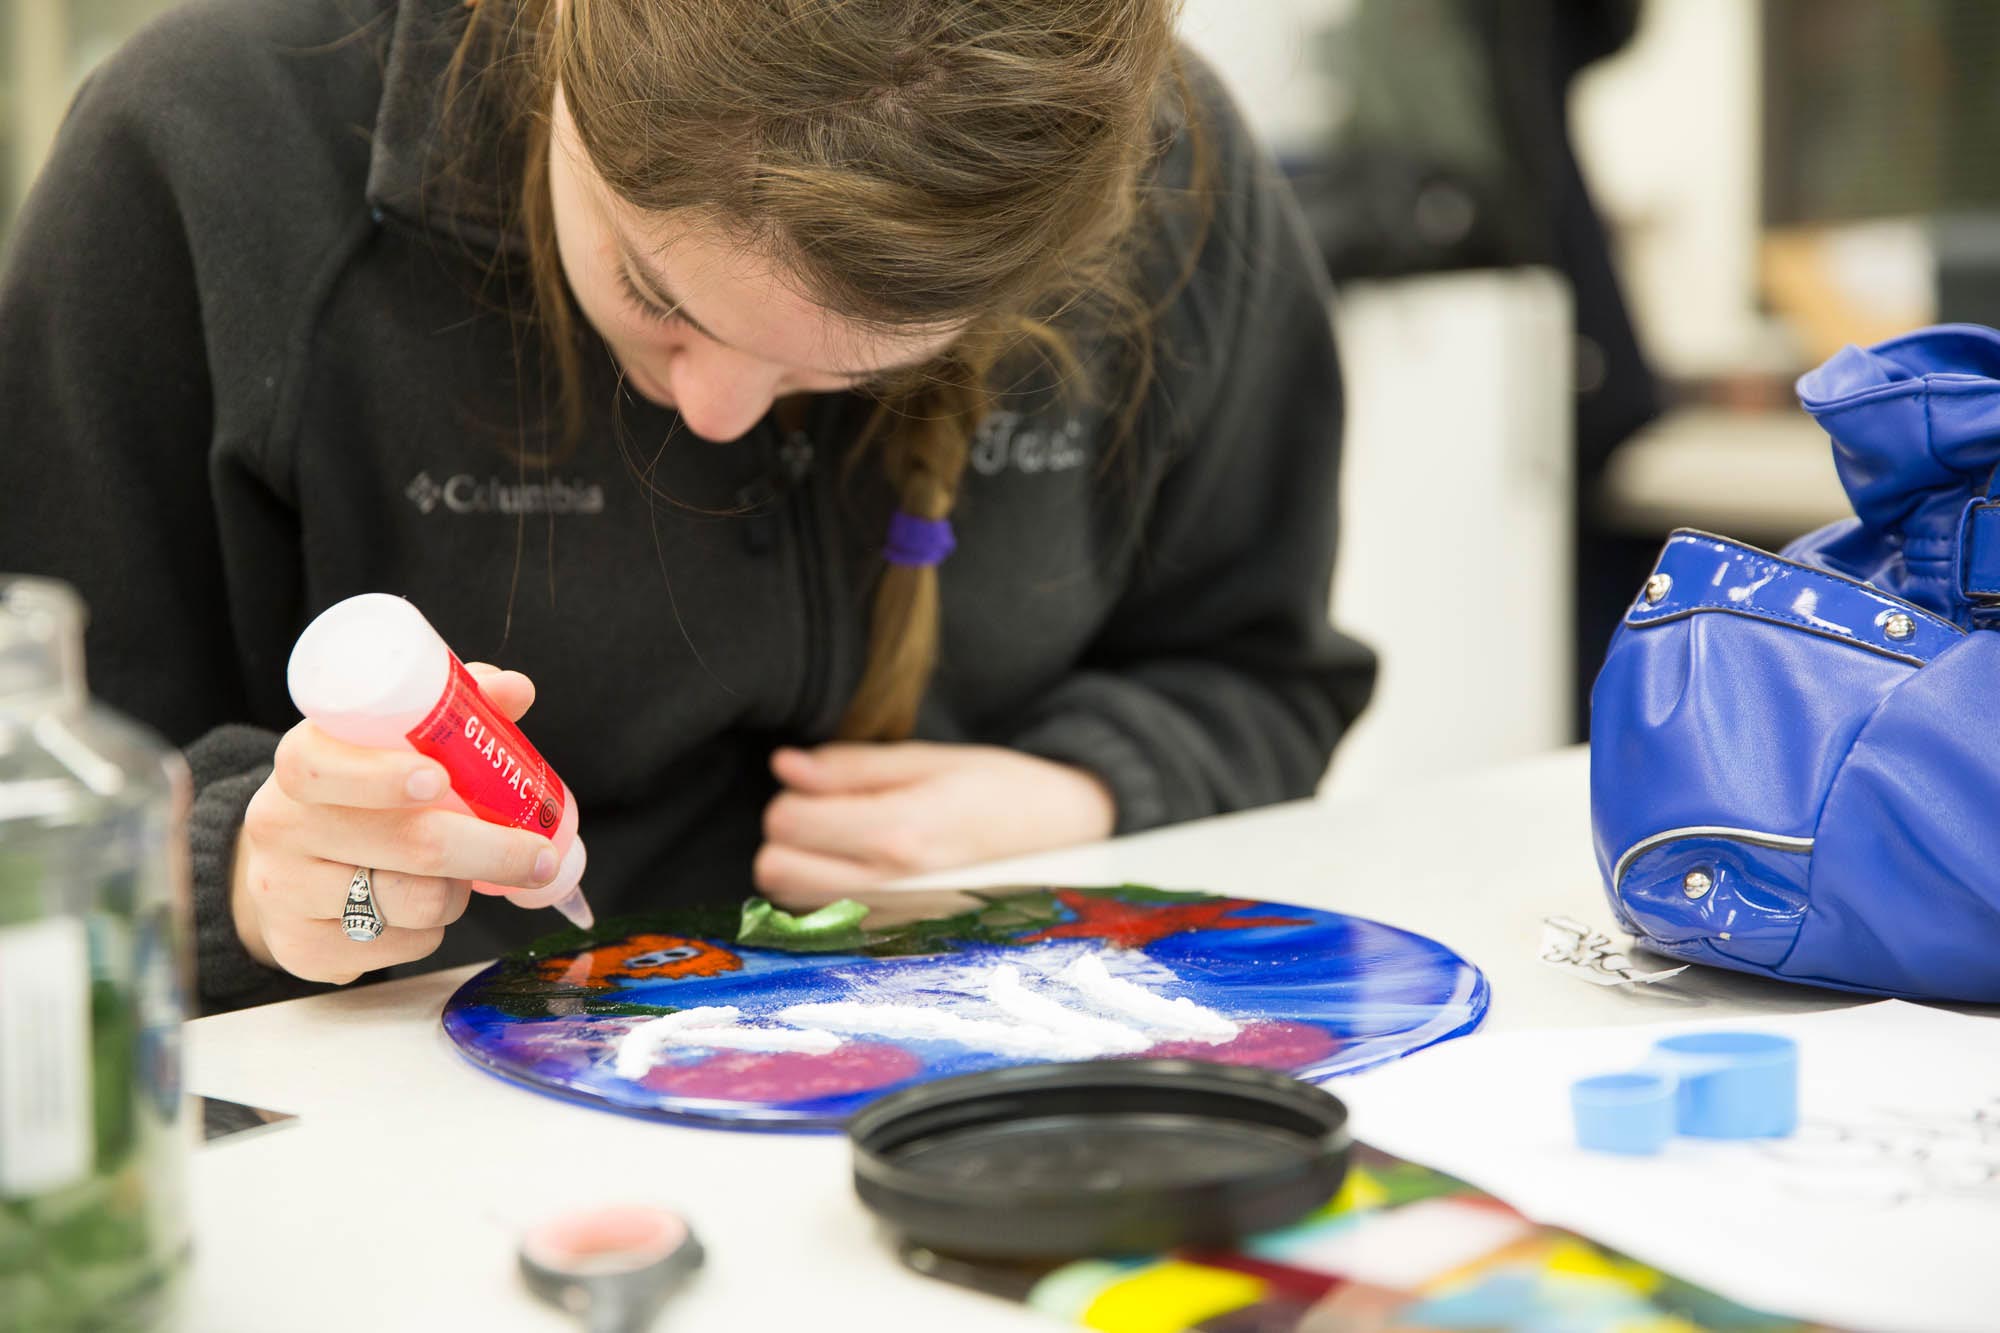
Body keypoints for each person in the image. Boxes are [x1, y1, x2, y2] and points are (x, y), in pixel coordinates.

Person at [0, 0, 1374, 1012]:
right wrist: (240, 881)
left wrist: (1098, 789)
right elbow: (34, 829)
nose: (712, 412)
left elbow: (1262, 673)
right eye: (656, 293)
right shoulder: (208, 155)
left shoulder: (1173, 182)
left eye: (851, 372)